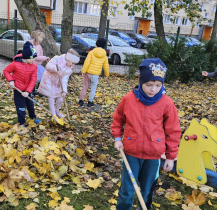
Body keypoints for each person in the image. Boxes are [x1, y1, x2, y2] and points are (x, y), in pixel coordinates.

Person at [111, 58, 181, 210]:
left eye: (158, 85)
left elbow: (173, 131)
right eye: (149, 85)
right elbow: (118, 119)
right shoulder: (129, 99)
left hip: (153, 156)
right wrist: (117, 137)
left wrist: (170, 156)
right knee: (127, 189)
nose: (153, 89)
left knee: (148, 190)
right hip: (131, 153)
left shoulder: (166, 103)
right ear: (141, 81)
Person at [3, 41, 41, 126]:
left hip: (28, 90)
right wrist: (11, 80)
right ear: (27, 57)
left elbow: (33, 80)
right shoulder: (15, 64)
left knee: (30, 105)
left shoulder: (34, 67)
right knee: (21, 108)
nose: (34, 60)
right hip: (18, 90)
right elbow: (6, 71)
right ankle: (22, 122)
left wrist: (28, 91)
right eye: (33, 58)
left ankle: (33, 118)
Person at [38, 49, 80, 118]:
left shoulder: (69, 68)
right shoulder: (57, 58)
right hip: (49, 79)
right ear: (68, 59)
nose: (72, 65)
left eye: (74, 64)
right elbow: (48, 66)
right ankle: (53, 115)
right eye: (72, 63)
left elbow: (64, 79)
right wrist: (56, 69)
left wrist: (64, 90)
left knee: (60, 98)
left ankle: (57, 111)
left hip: (58, 82)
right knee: (51, 97)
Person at [78, 38, 109, 107]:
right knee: (93, 88)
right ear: (104, 46)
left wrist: (83, 71)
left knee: (85, 87)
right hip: (96, 74)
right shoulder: (104, 55)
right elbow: (106, 66)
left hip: (88, 73)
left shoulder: (91, 52)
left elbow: (87, 62)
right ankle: (90, 101)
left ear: (96, 44)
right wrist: (106, 75)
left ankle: (81, 100)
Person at [29, 30, 50, 96]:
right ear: (39, 38)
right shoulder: (37, 46)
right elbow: (36, 57)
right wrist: (45, 58)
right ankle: (38, 90)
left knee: (33, 78)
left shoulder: (31, 44)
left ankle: (33, 90)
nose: (42, 40)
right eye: (42, 38)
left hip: (33, 64)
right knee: (42, 77)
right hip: (36, 65)